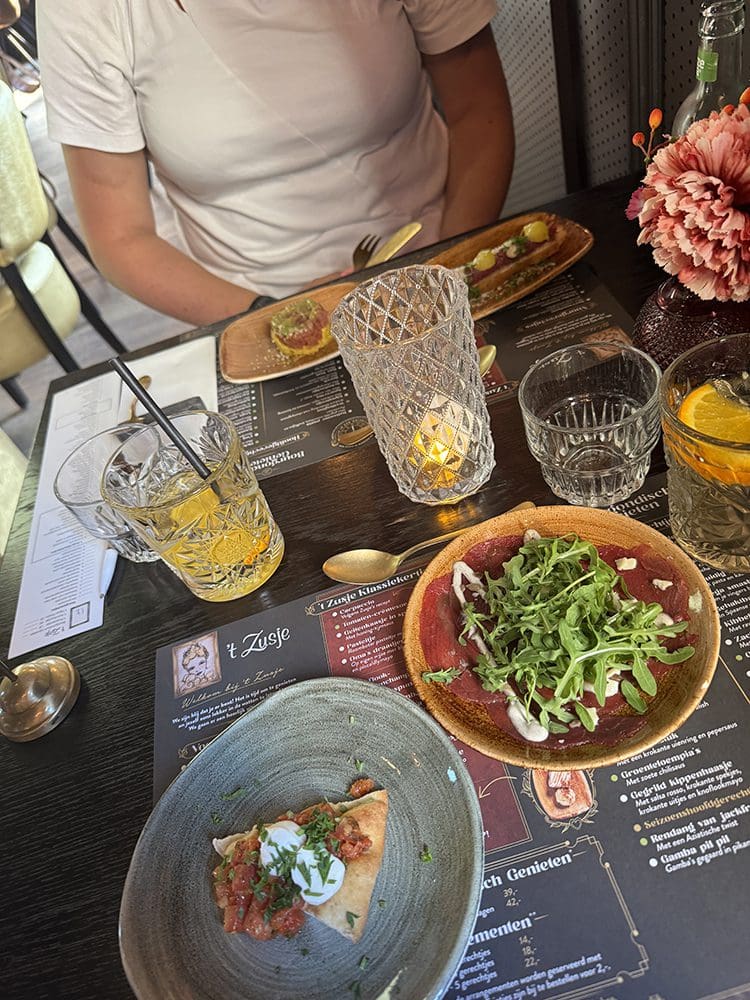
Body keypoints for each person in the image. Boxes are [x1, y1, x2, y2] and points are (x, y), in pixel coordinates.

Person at [37, 2, 514, 326]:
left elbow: (479, 110)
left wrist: (449, 273)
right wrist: (276, 319)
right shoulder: (84, 10)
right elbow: (120, 237)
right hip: (248, 305)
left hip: (448, 250)